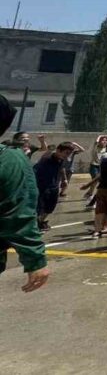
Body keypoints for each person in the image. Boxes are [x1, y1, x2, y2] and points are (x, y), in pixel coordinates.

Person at [0, 95, 49, 292]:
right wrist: (35, 259)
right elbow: (18, 211)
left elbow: (16, 211)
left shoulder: (9, 159)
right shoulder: (10, 160)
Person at [33, 141, 80, 231]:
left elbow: (61, 167)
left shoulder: (61, 159)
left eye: (69, 153)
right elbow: (35, 170)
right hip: (42, 187)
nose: (67, 155)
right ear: (58, 150)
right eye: (66, 153)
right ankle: (34, 225)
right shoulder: (46, 159)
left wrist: (65, 179)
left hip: (53, 187)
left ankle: (39, 221)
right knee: (39, 208)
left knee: (50, 207)